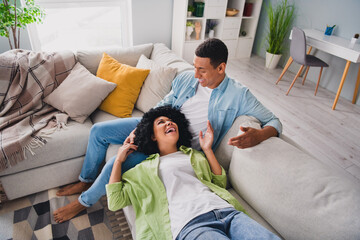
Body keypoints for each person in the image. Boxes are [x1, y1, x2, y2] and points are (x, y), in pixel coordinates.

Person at [53, 38, 282, 223]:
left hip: (173, 145)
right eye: (194, 67)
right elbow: (163, 105)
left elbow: (274, 120)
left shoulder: (239, 95)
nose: (195, 75)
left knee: (116, 164)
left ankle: (82, 202)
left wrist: (260, 134)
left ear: (221, 68)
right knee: (98, 131)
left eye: (202, 70)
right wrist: (142, 127)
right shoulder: (186, 79)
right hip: (157, 124)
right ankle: (86, 179)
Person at [106, 106, 280, 240]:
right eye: (161, 122)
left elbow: (219, 182)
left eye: (171, 121)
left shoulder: (194, 155)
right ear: (152, 136)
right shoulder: (143, 170)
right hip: (191, 224)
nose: (169, 122)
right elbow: (115, 201)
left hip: (227, 212)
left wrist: (207, 149)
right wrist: (119, 161)